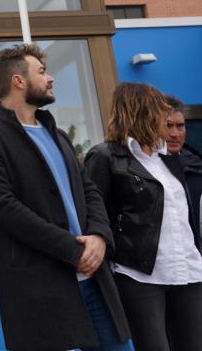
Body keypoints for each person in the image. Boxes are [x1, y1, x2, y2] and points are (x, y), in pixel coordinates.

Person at [0, 44, 130, 351]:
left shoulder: (58, 133)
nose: (51, 78)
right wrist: (73, 250)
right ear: (18, 81)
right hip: (41, 288)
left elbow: (89, 189)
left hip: (95, 281)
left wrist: (99, 237)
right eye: (41, 72)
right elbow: (4, 209)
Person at [85, 83, 202, 351]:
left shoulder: (171, 159)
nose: (167, 119)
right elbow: (94, 214)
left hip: (188, 273)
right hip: (139, 277)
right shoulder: (106, 157)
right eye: (160, 111)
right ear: (141, 113)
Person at [165, 95, 202, 231]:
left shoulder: (197, 166)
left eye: (180, 126)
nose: (175, 134)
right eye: (168, 126)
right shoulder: (142, 169)